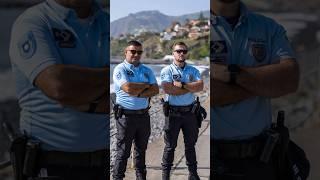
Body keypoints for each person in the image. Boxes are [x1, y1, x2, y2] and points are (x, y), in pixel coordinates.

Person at [9, 0, 109, 179]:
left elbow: (127, 91)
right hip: (50, 165)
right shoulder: (34, 21)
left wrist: (86, 101)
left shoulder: (107, 22)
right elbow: (58, 86)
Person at [211, 0, 300, 179]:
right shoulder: (195, 29)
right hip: (211, 161)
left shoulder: (267, 27)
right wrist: (265, 85)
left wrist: (230, 74)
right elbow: (211, 94)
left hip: (261, 161)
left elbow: (290, 79)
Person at [112, 40, 159, 180]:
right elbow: (128, 88)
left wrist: (137, 91)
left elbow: (156, 90)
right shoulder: (120, 69)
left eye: (139, 52)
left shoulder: (147, 70)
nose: (136, 54)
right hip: (126, 117)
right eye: (133, 51)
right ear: (125, 52)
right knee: (123, 152)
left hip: (144, 117)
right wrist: (145, 86)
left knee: (141, 151)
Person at [160, 41, 204, 180]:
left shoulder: (193, 70)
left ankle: (193, 174)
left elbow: (200, 86)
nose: (181, 53)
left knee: (190, 145)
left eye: (184, 51)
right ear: (173, 53)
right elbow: (168, 89)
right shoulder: (167, 71)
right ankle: (165, 176)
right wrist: (189, 87)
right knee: (170, 146)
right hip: (173, 114)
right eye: (178, 51)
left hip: (190, 113)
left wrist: (182, 85)